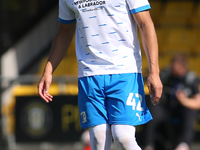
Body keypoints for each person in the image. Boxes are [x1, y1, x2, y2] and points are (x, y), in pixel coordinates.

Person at [38, 0, 163, 150]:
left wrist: (154, 72)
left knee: (123, 137)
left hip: (124, 72)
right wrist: (48, 70)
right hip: (89, 75)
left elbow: (145, 24)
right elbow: (65, 30)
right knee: (98, 137)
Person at [144, 53, 200, 150]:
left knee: (190, 112)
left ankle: (183, 144)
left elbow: (197, 103)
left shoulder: (191, 79)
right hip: (167, 108)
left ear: (183, 67)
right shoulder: (166, 75)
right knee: (153, 111)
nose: (173, 69)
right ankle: (149, 144)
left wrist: (183, 100)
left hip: (182, 110)